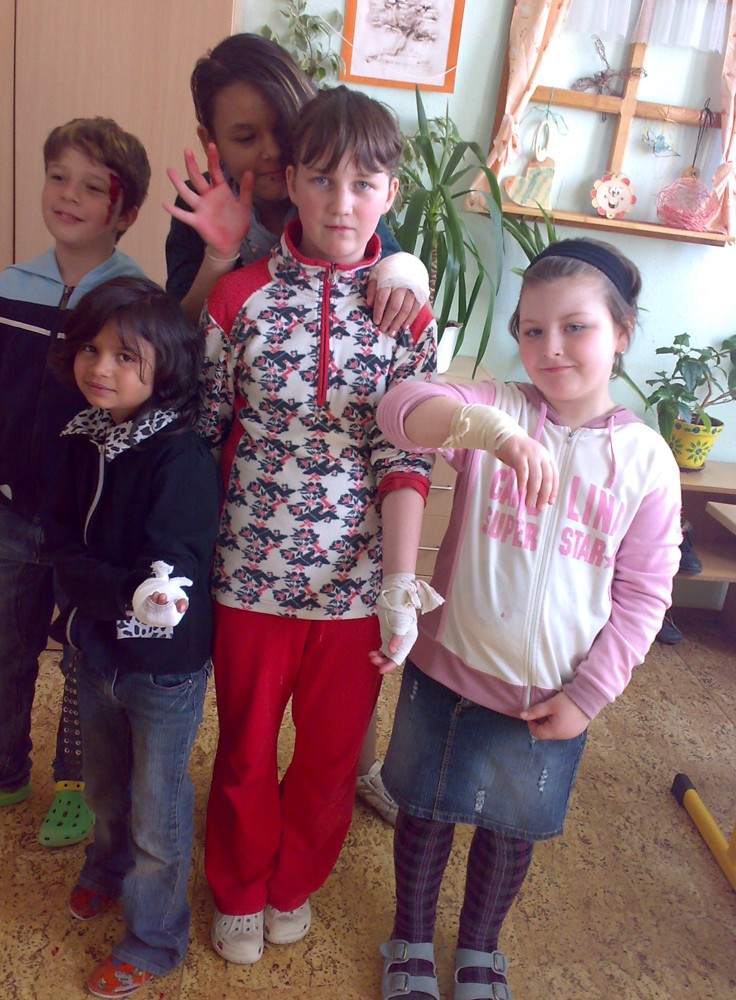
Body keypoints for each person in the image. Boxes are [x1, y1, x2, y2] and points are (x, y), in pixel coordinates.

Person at [373, 239, 683, 1000]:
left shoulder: (647, 461)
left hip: (550, 696)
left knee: (511, 830)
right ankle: (410, 938)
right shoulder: (501, 408)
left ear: (622, 333)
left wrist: (589, 696)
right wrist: (493, 433)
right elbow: (400, 409)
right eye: (532, 329)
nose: (551, 348)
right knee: (424, 813)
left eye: (576, 327)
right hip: (448, 673)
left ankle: (481, 949)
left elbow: (645, 594)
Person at [199, 85, 440, 966]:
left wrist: (399, 588)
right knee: (244, 750)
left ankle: (293, 882)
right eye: (323, 179)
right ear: (291, 181)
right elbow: (202, 432)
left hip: (355, 586)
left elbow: (408, 457)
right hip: (248, 575)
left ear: (391, 192)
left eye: (364, 183)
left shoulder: (407, 318)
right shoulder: (239, 299)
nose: (343, 202)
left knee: (333, 758)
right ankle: (237, 885)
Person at [164, 31, 424, 823]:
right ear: (214, 143)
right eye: (248, 137)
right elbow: (183, 379)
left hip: (352, 566)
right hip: (252, 553)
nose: (275, 154)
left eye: (283, 127)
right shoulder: (220, 254)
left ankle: (338, 803)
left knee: (332, 742)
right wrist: (216, 256)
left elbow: (404, 435)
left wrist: (406, 269)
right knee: (244, 741)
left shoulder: (353, 203)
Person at [42, 276, 222, 999]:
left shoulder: (179, 455)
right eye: (91, 348)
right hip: (96, 650)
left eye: (124, 356)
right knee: (102, 785)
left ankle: (154, 939)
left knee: (157, 806)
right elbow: (59, 542)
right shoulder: (80, 437)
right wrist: (114, 591)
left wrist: (124, 590)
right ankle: (106, 867)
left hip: (163, 669)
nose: (100, 367)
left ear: (164, 367)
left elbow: (171, 571)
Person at [0, 118, 150, 850]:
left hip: (89, 523)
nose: (68, 195)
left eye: (93, 187)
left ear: (125, 212)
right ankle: (6, 768)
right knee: (6, 648)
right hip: (9, 513)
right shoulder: (9, 288)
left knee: (86, 659)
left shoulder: (133, 299)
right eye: (58, 177)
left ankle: (76, 784)